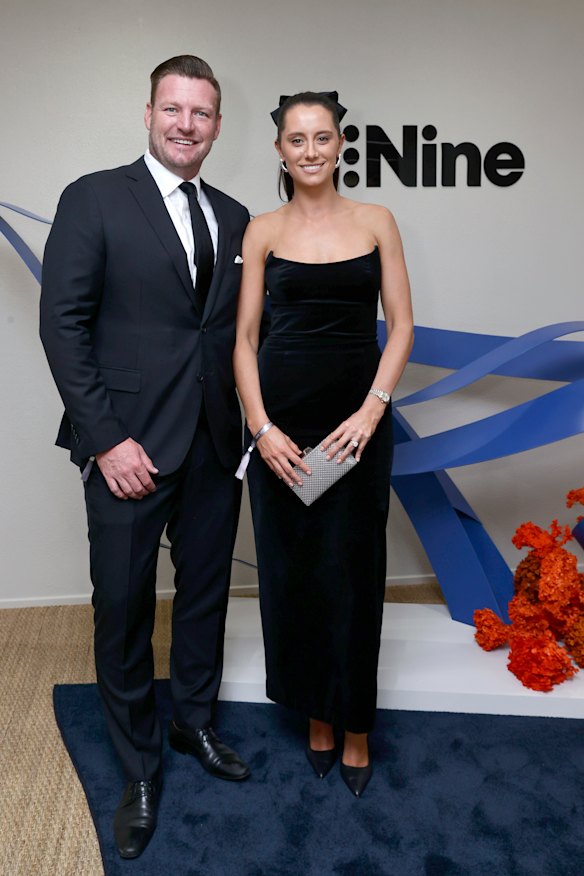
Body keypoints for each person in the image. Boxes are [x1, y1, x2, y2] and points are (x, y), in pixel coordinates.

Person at [40, 55, 250, 859]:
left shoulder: (236, 217)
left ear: (218, 125)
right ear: (150, 113)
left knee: (202, 598)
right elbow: (63, 326)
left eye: (202, 113)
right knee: (124, 608)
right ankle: (137, 766)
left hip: (212, 443)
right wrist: (106, 439)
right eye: (174, 109)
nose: (186, 124)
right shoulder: (94, 197)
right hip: (127, 444)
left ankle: (195, 723)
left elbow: (232, 334)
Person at [233, 91, 414, 798]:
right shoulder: (261, 230)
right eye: (296, 139)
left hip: (356, 426)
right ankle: (315, 714)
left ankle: (357, 722)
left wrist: (373, 409)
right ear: (280, 150)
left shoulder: (377, 221)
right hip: (282, 430)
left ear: (343, 145)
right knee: (295, 576)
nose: (310, 150)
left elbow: (400, 326)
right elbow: (243, 340)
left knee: (355, 573)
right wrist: (262, 427)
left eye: (323, 137)